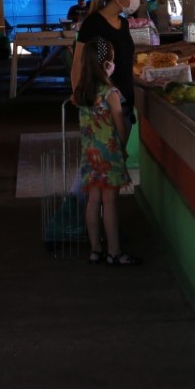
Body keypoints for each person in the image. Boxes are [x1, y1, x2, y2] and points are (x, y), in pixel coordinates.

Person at [71, 37, 141, 266]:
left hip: (90, 154)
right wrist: (122, 151)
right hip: (110, 156)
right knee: (109, 202)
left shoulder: (80, 93)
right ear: (107, 64)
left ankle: (95, 250)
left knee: (93, 200)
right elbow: (121, 128)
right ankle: (114, 252)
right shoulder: (111, 93)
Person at [73, 0, 140, 164]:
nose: (137, 1)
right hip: (102, 102)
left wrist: (143, 81)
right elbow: (78, 62)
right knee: (105, 164)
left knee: (113, 165)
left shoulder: (124, 23)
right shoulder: (92, 23)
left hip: (125, 100)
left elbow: (125, 61)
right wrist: (78, 93)